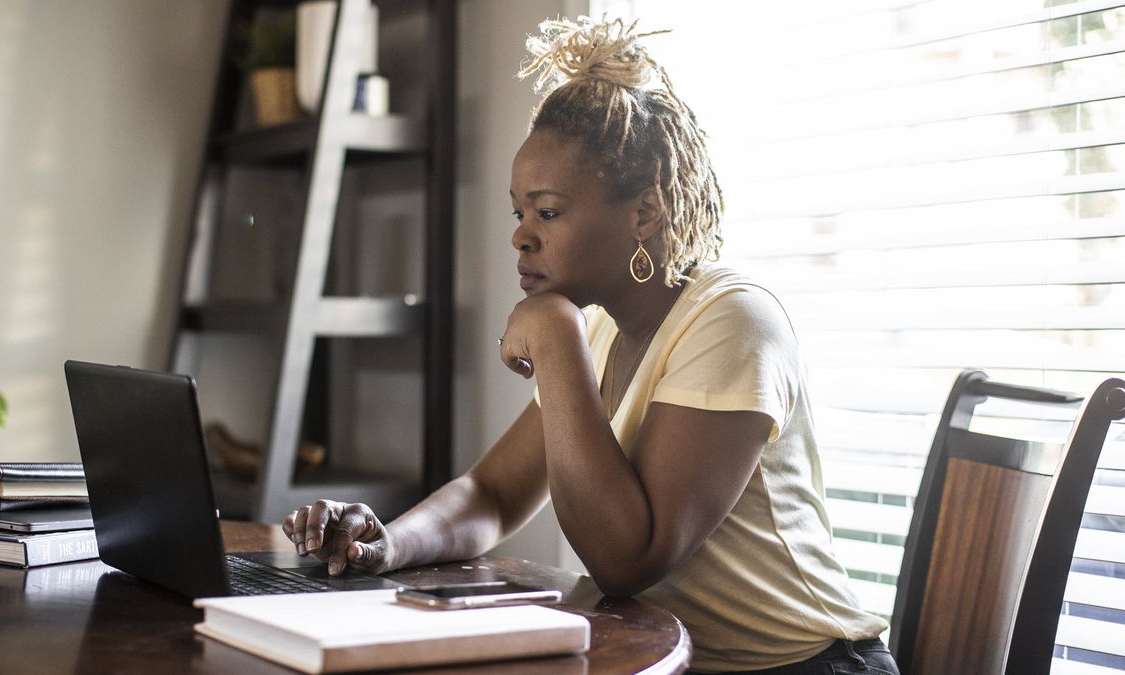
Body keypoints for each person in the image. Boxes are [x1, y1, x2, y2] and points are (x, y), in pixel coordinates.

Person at [283, 16, 898, 674]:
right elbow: (492, 493)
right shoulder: (602, 326)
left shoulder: (732, 321)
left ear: (646, 212)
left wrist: (553, 337)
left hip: (806, 666)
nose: (521, 236)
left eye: (547, 211)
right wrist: (388, 542)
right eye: (518, 212)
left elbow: (625, 560)